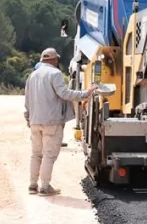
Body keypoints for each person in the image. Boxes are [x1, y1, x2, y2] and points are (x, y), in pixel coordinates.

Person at [24, 47, 98, 196]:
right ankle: (44, 187)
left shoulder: (32, 76)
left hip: (35, 121)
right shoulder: (55, 73)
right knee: (49, 155)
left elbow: (27, 100)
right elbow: (64, 93)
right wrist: (86, 93)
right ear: (54, 60)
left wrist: (28, 118)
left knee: (36, 154)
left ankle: (33, 185)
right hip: (51, 122)